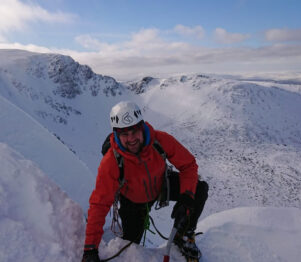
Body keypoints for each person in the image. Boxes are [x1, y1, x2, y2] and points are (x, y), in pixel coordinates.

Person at [82, 101, 208, 262]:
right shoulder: (112, 161)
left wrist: (187, 197)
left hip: (161, 186)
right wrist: (90, 249)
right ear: (116, 134)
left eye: (134, 131)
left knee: (199, 189)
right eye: (124, 134)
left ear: (142, 127)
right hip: (132, 202)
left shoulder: (160, 141)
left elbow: (188, 165)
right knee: (130, 247)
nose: (131, 139)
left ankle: (183, 236)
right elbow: (99, 203)